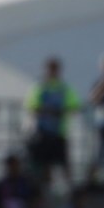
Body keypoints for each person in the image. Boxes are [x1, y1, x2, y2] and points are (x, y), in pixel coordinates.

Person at [25, 57, 81, 187]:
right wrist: (46, 110)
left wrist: (62, 111)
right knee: (45, 167)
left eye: (55, 69)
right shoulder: (40, 87)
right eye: (50, 69)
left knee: (64, 166)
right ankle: (46, 193)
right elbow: (31, 106)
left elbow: (74, 106)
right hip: (43, 133)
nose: (52, 72)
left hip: (59, 133)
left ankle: (69, 192)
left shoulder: (64, 88)